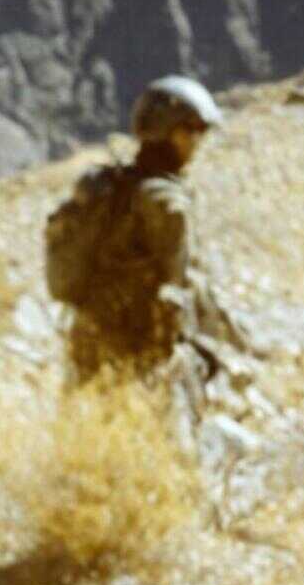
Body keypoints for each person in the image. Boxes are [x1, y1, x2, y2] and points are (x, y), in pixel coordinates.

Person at [44, 74, 244, 433]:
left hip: (87, 334)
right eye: (193, 129)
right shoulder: (167, 203)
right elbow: (177, 284)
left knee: (82, 432)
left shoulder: (109, 185)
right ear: (171, 133)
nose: (198, 141)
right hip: (138, 350)